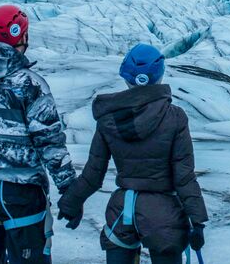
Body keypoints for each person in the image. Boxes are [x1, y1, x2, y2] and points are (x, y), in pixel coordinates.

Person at [57, 44, 208, 264]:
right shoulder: (175, 117)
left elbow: (93, 173)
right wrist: (198, 221)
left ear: (126, 77)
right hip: (163, 215)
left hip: (122, 212)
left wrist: (71, 204)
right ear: (160, 75)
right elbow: (184, 176)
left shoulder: (108, 119)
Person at [0, 5, 76, 264]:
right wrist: (69, 189)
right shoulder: (30, 84)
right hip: (22, 194)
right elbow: (49, 142)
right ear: (22, 35)